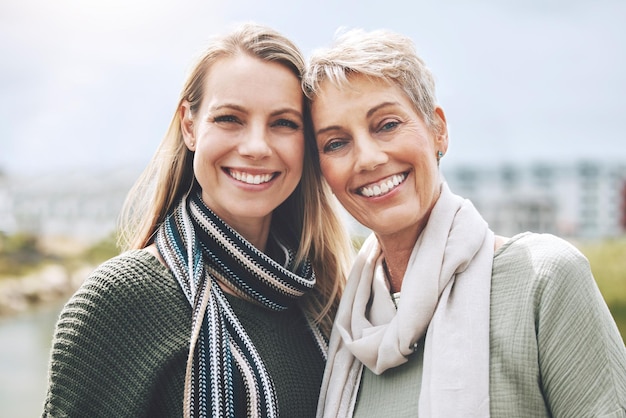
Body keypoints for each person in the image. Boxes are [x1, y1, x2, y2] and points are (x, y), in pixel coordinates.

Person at [303, 28, 626, 417]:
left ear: (438, 130)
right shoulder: (340, 321)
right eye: (335, 143)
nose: (368, 158)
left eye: (387, 124)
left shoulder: (544, 279)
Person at [43, 22, 352, 418]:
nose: (257, 146)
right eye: (229, 118)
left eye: (283, 123)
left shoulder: (324, 299)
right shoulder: (118, 302)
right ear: (190, 126)